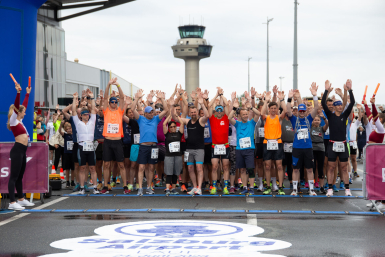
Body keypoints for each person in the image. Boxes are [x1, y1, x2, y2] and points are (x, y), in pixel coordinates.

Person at [131, 89, 168, 196]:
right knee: (141, 167)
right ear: (145, 113)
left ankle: (149, 187)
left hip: (153, 146)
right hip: (143, 146)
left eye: (153, 112)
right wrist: (137, 98)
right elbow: (132, 109)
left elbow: (165, 110)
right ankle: (140, 189)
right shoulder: (140, 119)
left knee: (151, 167)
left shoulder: (156, 119)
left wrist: (162, 99)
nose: (152, 113)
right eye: (150, 112)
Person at [322, 79, 355, 197]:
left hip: (343, 143)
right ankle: (330, 188)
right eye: (338, 105)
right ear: (335, 107)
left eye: (341, 105)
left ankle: (347, 189)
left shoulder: (344, 115)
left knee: (344, 167)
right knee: (331, 167)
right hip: (332, 144)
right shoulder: (330, 116)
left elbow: (352, 103)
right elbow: (323, 104)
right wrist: (326, 91)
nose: (340, 107)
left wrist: (350, 90)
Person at [174, 93, 209, 195]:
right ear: (189, 113)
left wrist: (202, 104)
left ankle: (199, 188)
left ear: (197, 113)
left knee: (199, 168)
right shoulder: (187, 121)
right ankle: (194, 187)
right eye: (192, 112)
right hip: (189, 149)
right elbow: (175, 118)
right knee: (190, 168)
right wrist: (172, 106)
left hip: (199, 149)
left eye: (195, 112)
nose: (193, 113)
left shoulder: (201, 121)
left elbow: (207, 115)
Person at [287, 83, 319, 196]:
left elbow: (316, 107)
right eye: (299, 111)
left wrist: (315, 95)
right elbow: (288, 110)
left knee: (310, 169)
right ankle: (294, 190)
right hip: (297, 148)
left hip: (308, 148)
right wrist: (289, 98)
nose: (301, 113)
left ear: (305, 111)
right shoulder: (294, 119)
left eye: (303, 111)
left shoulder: (309, 118)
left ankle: (311, 189)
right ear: (298, 112)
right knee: (295, 169)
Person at [7, 82, 35, 210]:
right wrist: (18, 92)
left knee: (20, 176)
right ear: (18, 112)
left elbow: (24, 105)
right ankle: (12, 202)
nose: (25, 113)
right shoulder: (13, 120)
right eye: (23, 112)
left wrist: (27, 93)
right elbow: (19, 106)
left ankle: (21, 199)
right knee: (13, 177)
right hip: (17, 150)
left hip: (23, 151)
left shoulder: (20, 121)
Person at [228, 93, 261, 195]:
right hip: (239, 149)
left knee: (250, 169)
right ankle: (245, 187)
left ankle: (251, 187)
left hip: (249, 149)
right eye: (244, 114)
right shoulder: (237, 124)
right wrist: (234, 108)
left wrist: (250, 107)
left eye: (247, 114)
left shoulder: (252, 122)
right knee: (242, 169)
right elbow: (229, 118)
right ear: (240, 116)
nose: (246, 116)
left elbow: (258, 113)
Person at [100, 78, 128, 194]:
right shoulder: (106, 110)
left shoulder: (120, 111)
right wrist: (108, 84)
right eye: (113, 102)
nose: (114, 103)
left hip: (117, 141)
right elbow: (105, 97)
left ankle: (125, 185)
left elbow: (122, 98)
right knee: (106, 164)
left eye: (115, 102)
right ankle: (105, 185)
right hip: (107, 141)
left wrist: (118, 85)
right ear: (110, 103)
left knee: (121, 164)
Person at [71, 90, 98, 194]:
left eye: (87, 114)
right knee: (82, 168)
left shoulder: (92, 121)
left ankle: (95, 188)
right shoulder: (78, 123)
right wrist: (74, 99)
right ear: (81, 115)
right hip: (81, 146)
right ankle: (82, 187)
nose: (87, 115)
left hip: (90, 147)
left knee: (92, 168)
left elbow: (94, 111)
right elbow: (73, 111)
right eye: (84, 114)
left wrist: (91, 98)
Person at [261, 90, 287, 195]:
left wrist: (282, 99)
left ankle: (280, 187)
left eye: (275, 108)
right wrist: (266, 100)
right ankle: (268, 186)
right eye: (271, 108)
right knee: (267, 166)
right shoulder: (266, 118)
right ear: (269, 109)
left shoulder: (278, 118)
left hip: (277, 142)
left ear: (277, 109)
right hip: (267, 143)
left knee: (279, 166)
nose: (273, 110)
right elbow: (262, 113)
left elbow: (285, 110)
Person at [207, 87, 230, 195]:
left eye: (221, 109)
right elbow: (209, 105)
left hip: (225, 146)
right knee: (215, 167)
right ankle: (214, 186)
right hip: (215, 146)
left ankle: (225, 186)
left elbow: (227, 105)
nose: (220, 111)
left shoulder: (226, 118)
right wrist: (216, 95)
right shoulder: (212, 118)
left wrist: (221, 95)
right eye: (218, 110)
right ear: (215, 111)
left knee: (225, 166)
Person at [363, 97, 385, 211]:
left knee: (380, 178)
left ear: (381, 120)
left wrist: (373, 104)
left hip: (378, 157)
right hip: (372, 156)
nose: (372, 118)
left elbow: (374, 115)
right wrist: (366, 105)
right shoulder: (374, 126)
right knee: (372, 178)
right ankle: (375, 200)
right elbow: (370, 114)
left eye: (376, 119)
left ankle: (382, 201)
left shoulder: (380, 129)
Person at [163, 110, 184, 195]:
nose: (172, 128)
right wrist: (169, 116)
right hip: (169, 156)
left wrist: (176, 116)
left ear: (176, 127)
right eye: (171, 127)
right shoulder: (167, 134)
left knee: (175, 173)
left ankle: (174, 189)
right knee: (169, 173)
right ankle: (168, 188)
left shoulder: (179, 134)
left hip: (178, 156)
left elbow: (182, 123)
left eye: (174, 126)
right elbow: (164, 124)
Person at [310, 113, 329, 193]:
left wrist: (324, 117)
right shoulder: (310, 128)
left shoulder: (322, 128)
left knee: (320, 168)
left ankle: (321, 187)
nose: (316, 121)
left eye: (318, 120)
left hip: (321, 149)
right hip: (312, 149)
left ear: (320, 121)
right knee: (312, 168)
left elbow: (328, 124)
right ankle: (312, 186)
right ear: (312, 121)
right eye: (315, 120)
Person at [59, 122, 75, 187]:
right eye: (67, 129)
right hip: (66, 153)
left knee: (73, 168)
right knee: (67, 168)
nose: (69, 130)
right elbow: (60, 131)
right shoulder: (65, 135)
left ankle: (73, 181)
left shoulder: (74, 135)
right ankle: (67, 181)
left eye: (70, 129)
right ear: (65, 130)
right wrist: (60, 125)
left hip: (73, 153)